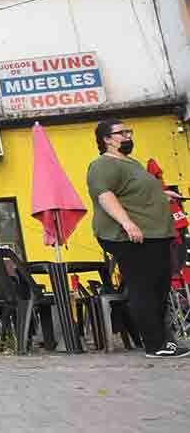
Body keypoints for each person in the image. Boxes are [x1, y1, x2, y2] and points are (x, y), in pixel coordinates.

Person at [87, 119, 189, 358]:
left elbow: (134, 190)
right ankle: (155, 345)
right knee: (144, 289)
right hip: (130, 237)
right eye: (121, 133)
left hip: (156, 234)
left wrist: (161, 193)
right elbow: (105, 195)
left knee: (159, 288)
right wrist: (127, 223)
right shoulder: (102, 164)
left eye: (129, 131)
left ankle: (165, 341)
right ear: (107, 139)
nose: (127, 136)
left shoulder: (130, 163)